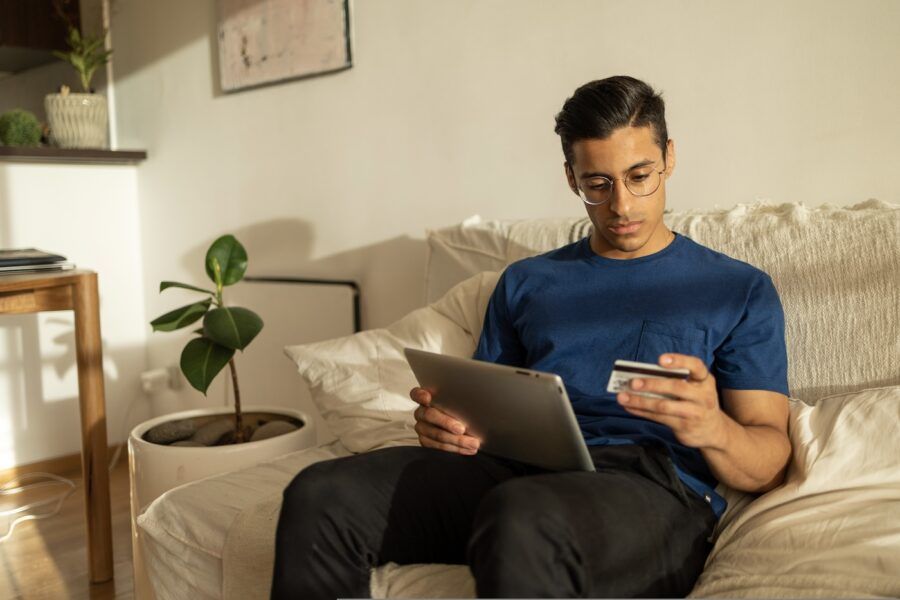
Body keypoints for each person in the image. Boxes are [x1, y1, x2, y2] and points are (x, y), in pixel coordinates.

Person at [270, 75, 791, 599]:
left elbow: (769, 460)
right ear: (571, 178)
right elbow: (485, 414)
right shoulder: (526, 282)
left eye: (640, 176)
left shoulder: (734, 288)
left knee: (523, 514)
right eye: (598, 184)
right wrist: (448, 430)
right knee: (321, 492)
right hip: (514, 475)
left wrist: (711, 427)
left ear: (669, 158)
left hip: (647, 490)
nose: (623, 206)